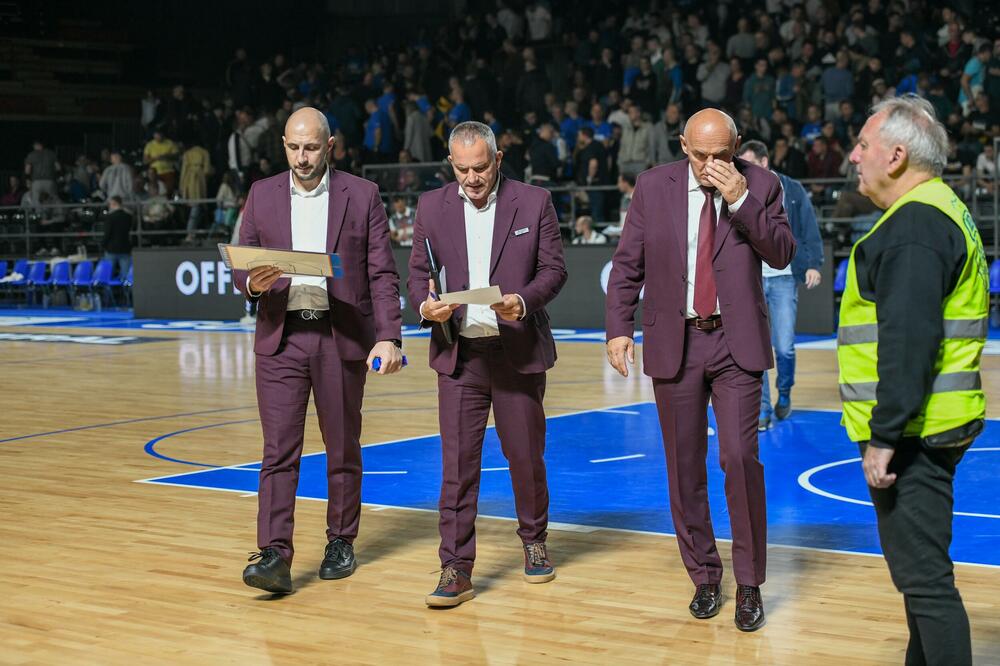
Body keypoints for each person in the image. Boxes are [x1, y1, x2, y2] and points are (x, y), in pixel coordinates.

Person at [604, 108, 794, 632]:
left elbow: (780, 252)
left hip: (737, 345)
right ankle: (705, 576)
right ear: (683, 145)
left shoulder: (764, 185)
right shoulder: (651, 186)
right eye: (700, 155)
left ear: (736, 145)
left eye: (722, 155)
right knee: (684, 468)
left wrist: (739, 197)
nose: (711, 164)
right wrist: (619, 327)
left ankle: (750, 583)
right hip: (676, 341)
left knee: (740, 457)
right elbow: (627, 265)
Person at [838, 95, 986, 666]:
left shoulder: (914, 225)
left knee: (926, 586)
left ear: (896, 156)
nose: (854, 156)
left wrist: (885, 436)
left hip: (915, 435)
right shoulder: (940, 208)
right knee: (922, 579)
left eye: (864, 145)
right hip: (934, 424)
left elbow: (908, 341)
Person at [235, 107, 403, 595]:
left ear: (331, 146)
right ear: (283, 145)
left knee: (343, 447)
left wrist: (388, 335)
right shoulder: (261, 194)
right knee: (278, 452)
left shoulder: (363, 194)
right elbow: (243, 264)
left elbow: (381, 272)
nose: (301, 157)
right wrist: (251, 284)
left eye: (311, 147)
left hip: (340, 336)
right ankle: (274, 555)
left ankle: (341, 541)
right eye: (293, 147)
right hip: (281, 336)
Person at [407, 121, 566, 608]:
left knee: (525, 457)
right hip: (461, 357)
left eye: (480, 167)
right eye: (462, 168)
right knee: (457, 467)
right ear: (449, 164)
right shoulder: (431, 207)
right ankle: (455, 566)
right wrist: (424, 306)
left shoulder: (534, 202)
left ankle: (534, 541)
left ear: (498, 159)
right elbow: (418, 273)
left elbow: (554, 270)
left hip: (516, 353)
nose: (472, 178)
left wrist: (524, 300)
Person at [736, 140, 824, 430]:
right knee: (755, 345)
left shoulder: (792, 189)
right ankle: (762, 409)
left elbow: (808, 226)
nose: (744, 169)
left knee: (784, 347)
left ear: (763, 162)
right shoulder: (739, 190)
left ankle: (784, 393)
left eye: (748, 163)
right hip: (752, 276)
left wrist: (813, 263)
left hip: (785, 277)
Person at [102, 196, 133, 279]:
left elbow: (107, 233)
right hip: (125, 247)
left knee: (108, 274)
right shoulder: (128, 217)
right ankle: (127, 291)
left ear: (113, 204)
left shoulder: (110, 217)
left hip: (111, 248)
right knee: (126, 275)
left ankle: (109, 291)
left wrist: (103, 244)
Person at [143, 130, 179, 196]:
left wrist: (166, 156)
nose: (157, 137)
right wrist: (155, 158)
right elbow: (145, 161)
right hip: (154, 173)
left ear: (162, 135)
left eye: (159, 135)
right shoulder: (149, 145)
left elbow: (176, 157)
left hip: (168, 172)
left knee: (168, 191)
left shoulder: (170, 143)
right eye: (156, 136)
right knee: (154, 191)